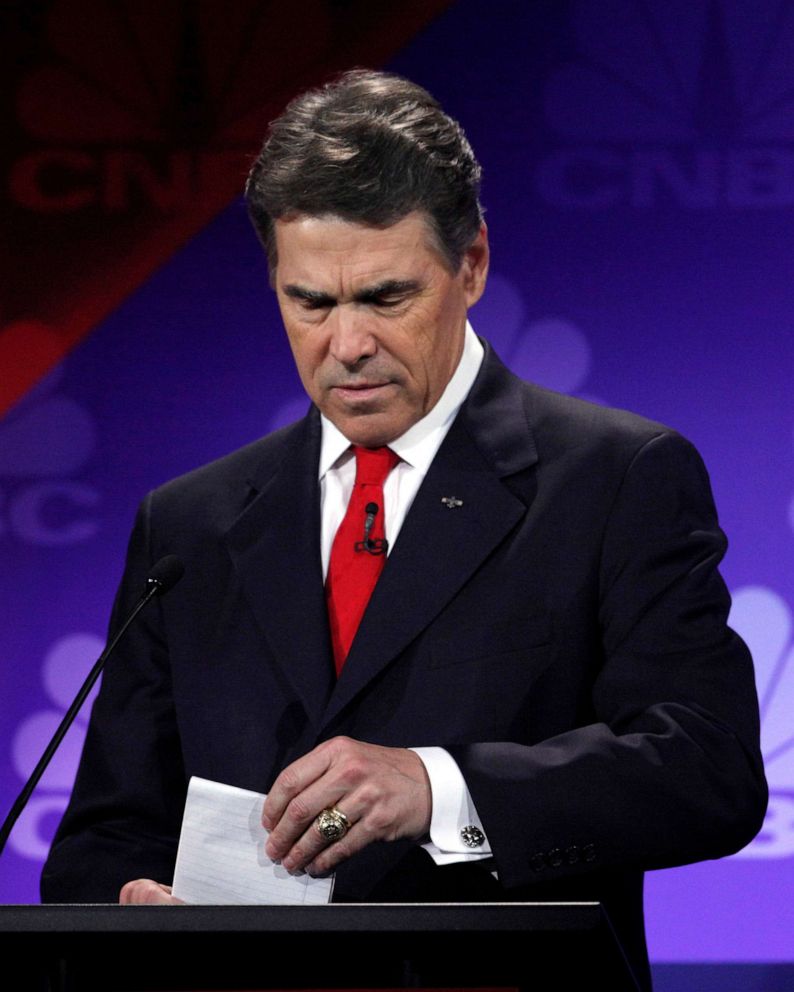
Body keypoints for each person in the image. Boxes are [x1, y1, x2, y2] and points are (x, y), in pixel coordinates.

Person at [41, 69, 767, 989]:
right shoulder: (192, 523)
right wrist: (131, 904)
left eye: (385, 298)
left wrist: (437, 788)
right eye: (310, 302)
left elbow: (706, 768)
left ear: (471, 266)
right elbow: (106, 831)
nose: (346, 343)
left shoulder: (617, 479)